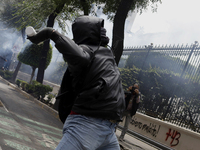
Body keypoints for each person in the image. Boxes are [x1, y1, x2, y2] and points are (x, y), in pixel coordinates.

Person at [27, 15, 125, 150]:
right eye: (99, 27)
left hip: (109, 129)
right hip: (87, 125)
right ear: (88, 31)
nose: (103, 30)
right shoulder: (87, 50)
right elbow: (79, 56)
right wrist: (52, 33)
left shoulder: (104, 52)